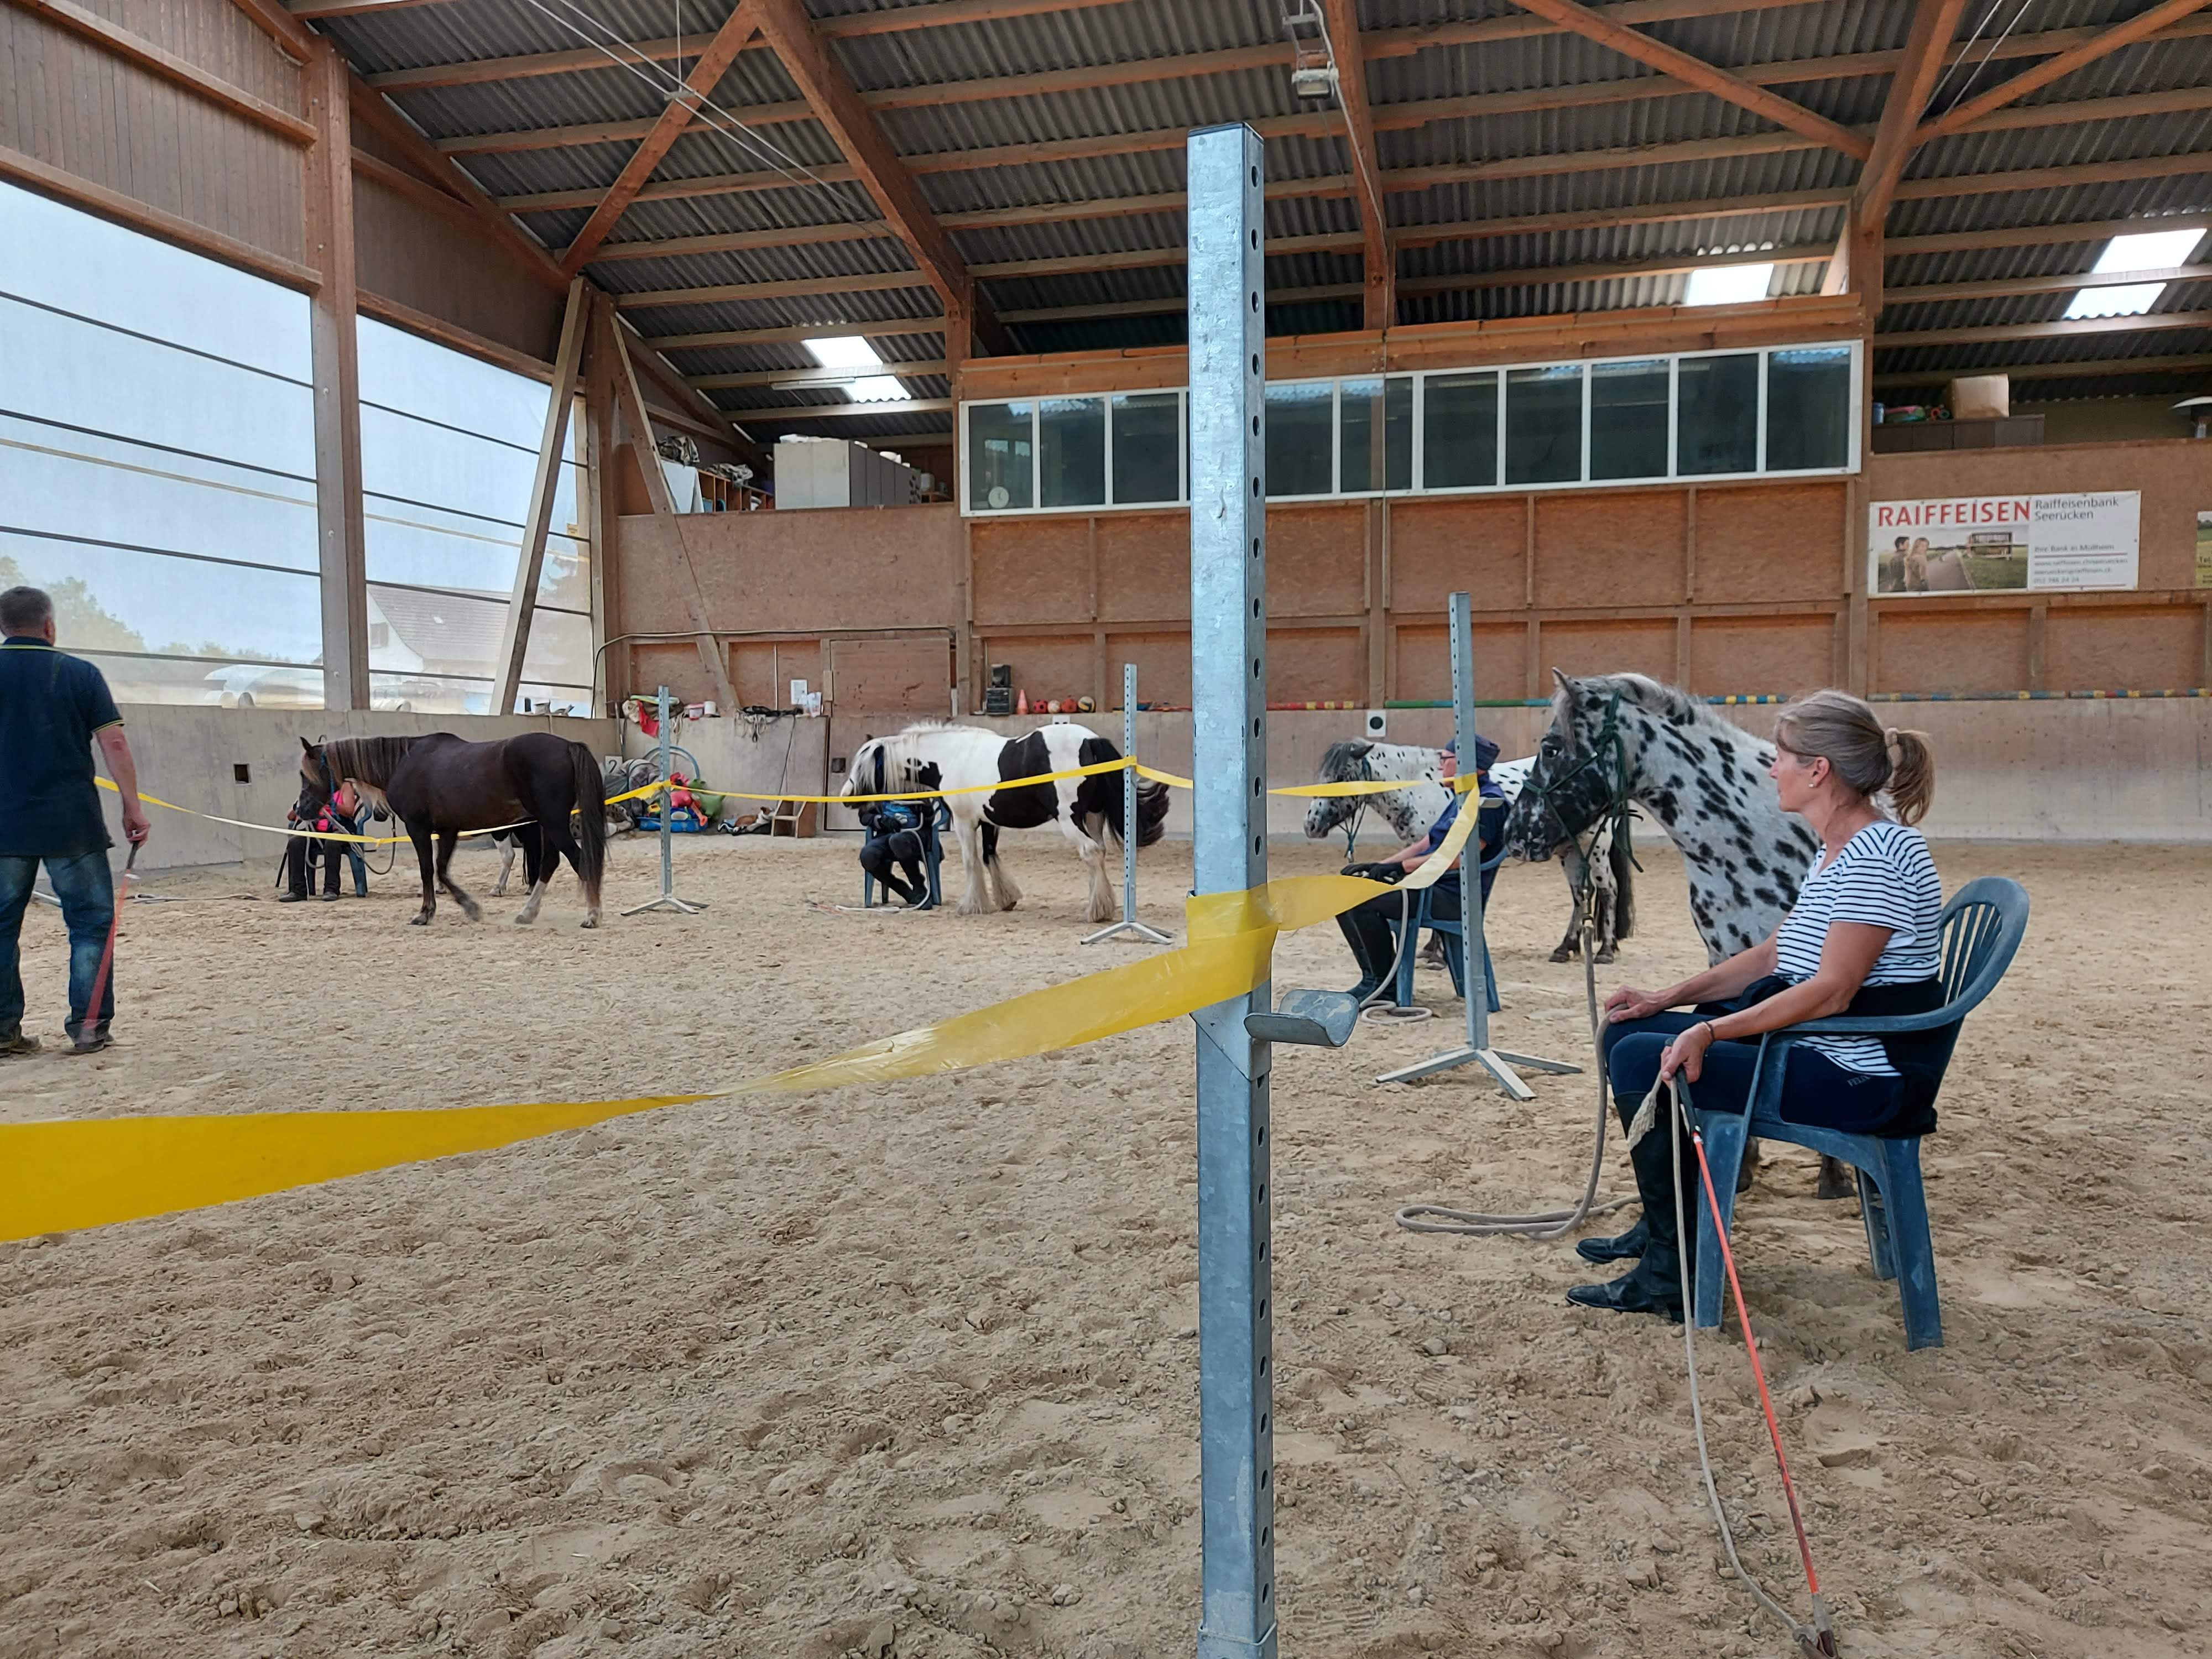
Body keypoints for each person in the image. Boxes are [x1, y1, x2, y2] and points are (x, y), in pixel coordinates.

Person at [1569, 690, 1942, 1321]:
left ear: (1818, 771)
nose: (1772, 770)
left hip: (1858, 1075)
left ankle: (1671, 1272)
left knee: (1640, 1059)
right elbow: (1774, 956)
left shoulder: (1876, 858)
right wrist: (1668, 997)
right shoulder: (1840, 847)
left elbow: (1832, 990)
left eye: (1781, 757)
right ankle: (1668, 1229)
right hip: (1824, 1046)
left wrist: (1711, 1033)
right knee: (1625, 1032)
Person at [0, 584, 151, 1056]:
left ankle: (3, 1033)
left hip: (4, 826)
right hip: (72, 825)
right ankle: (89, 1028)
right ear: (49, 626)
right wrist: (132, 805)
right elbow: (115, 743)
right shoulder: (81, 674)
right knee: (89, 925)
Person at [1335, 734, 1506, 1001]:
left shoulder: (1488, 802)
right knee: (1342, 896)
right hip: (1430, 886)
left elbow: (1461, 859)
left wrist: (1402, 867)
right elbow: (1425, 843)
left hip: (1450, 896)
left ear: (1468, 764)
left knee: (1362, 903)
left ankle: (1386, 986)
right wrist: (1381, 866)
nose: (1440, 766)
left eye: (1446, 759)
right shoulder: (1462, 798)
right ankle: (1372, 979)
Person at [281, 782, 364, 902]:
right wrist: (302, 804)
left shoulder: (344, 785)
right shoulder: (312, 786)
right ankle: (297, 890)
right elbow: (290, 816)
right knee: (295, 842)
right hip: (316, 830)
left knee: (332, 842)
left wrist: (329, 803)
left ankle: (331, 889)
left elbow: (349, 811)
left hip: (340, 829)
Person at [858, 796, 933, 908]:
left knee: (897, 841)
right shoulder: (877, 790)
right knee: (868, 855)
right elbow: (864, 816)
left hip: (915, 834)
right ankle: (904, 891)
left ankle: (918, 886)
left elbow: (930, 816)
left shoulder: (917, 788)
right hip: (886, 834)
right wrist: (881, 820)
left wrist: (924, 807)